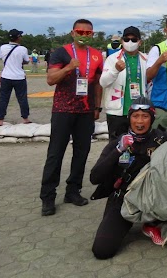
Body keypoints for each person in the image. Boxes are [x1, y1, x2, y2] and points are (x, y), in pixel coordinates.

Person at [91, 96, 167, 259]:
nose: (140, 121)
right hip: (124, 199)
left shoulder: (162, 138)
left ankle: (152, 223)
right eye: (135, 116)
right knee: (102, 250)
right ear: (129, 118)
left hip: (154, 197)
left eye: (145, 116)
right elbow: (94, 177)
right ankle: (135, 220)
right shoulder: (119, 142)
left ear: (152, 119)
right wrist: (118, 150)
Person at [39, 19, 104, 216]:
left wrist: (97, 107)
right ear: (72, 33)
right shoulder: (61, 52)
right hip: (63, 110)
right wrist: (68, 67)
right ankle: (48, 197)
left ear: (92, 34)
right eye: (80, 32)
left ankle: (73, 191)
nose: (83, 35)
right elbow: (51, 80)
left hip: (85, 111)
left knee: (82, 152)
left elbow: (97, 84)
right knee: (55, 153)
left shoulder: (96, 55)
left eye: (87, 33)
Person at [100, 26, 149, 142]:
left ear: (140, 42)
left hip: (139, 112)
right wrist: (115, 70)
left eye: (134, 40)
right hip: (117, 111)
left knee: (139, 145)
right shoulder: (112, 59)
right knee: (116, 147)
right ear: (122, 41)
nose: (130, 42)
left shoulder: (145, 59)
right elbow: (103, 83)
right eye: (127, 40)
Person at [0, 29, 31, 126]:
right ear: (18, 38)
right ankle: (25, 118)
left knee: (3, 98)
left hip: (6, 76)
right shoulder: (23, 49)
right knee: (22, 98)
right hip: (19, 77)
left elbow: (2, 58)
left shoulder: (3, 47)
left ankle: (0, 119)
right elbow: (26, 61)